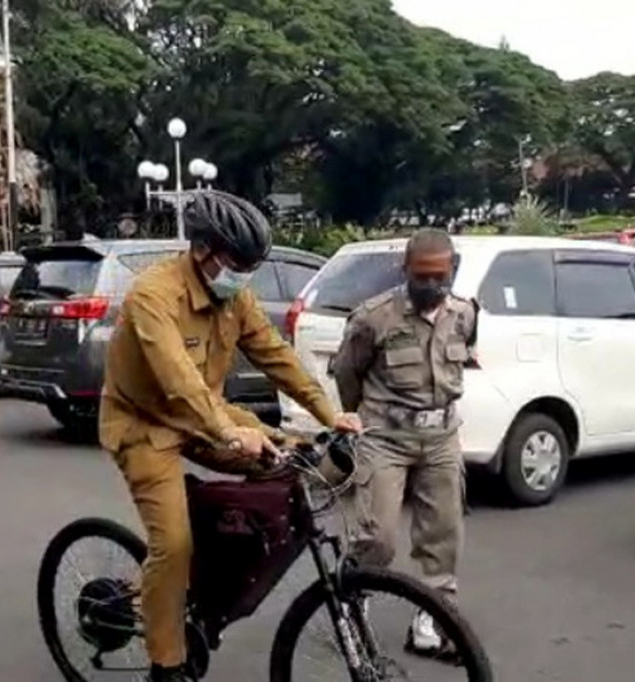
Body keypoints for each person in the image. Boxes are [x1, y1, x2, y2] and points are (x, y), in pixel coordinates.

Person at [99, 189, 362, 682]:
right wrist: (230, 432)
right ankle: (166, 662)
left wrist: (330, 414)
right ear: (203, 249)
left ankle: (208, 586)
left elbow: (274, 354)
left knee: (289, 461)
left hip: (208, 415)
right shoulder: (153, 296)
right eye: (238, 262)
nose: (245, 274)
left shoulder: (234, 296)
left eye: (251, 265)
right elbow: (178, 380)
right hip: (145, 427)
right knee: (173, 545)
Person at [330, 227, 478, 660]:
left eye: (440, 276)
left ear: (452, 270)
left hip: (441, 438)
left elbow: (463, 355)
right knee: (379, 537)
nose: (431, 285)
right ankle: (353, 600)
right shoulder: (374, 317)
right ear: (405, 271)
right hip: (385, 438)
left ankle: (433, 616)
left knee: (444, 534)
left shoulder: (465, 314)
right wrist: (359, 420)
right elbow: (346, 372)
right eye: (421, 276)